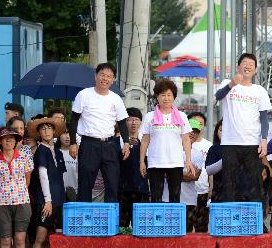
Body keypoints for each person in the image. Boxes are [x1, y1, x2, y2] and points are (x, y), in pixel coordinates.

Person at [67, 63, 130, 203]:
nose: (105, 79)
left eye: (109, 76)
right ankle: (84, 221)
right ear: (96, 76)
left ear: (113, 80)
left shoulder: (116, 98)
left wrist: (126, 142)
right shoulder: (83, 95)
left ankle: (111, 221)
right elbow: (74, 120)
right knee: (85, 184)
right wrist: (72, 143)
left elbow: (122, 123)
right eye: (102, 75)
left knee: (113, 184)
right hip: (89, 144)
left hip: (110, 145)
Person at [214, 53, 272, 202]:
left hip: (252, 143)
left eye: (251, 64)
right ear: (238, 66)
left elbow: (264, 118)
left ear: (255, 70)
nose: (247, 66)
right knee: (229, 184)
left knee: (255, 184)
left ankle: (257, 222)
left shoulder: (259, 90)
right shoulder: (228, 83)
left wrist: (264, 139)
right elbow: (218, 96)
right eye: (244, 63)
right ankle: (229, 221)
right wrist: (231, 85)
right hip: (230, 143)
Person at [139, 79, 195, 203]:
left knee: (175, 197)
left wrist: (188, 160)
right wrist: (142, 161)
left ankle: (173, 222)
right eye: (162, 95)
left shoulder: (182, 116)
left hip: (175, 162)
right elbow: (144, 141)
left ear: (174, 97)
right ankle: (158, 222)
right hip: (155, 162)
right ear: (157, 97)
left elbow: (186, 139)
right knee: (156, 197)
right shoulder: (149, 116)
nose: (166, 98)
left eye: (169, 95)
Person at [0, 127, 33, 248]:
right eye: (5, 138)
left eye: (12, 138)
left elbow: (27, 180)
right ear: (0, 141)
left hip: (22, 202)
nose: (9, 140)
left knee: (20, 239)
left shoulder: (24, 158)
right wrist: (4, 193)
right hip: (2, 204)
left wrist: (18, 192)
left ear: (16, 141)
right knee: (6, 239)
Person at [29, 117, 66, 248]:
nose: (46, 131)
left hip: (59, 199)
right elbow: (43, 176)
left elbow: (60, 177)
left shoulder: (58, 152)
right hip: (46, 200)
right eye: (43, 128)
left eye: (49, 128)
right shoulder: (41, 151)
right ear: (39, 133)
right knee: (40, 237)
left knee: (57, 236)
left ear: (54, 131)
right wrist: (48, 201)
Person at [118, 108, 147, 228]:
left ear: (141, 122)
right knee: (122, 226)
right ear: (125, 122)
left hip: (142, 188)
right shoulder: (117, 142)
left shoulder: (146, 142)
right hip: (122, 188)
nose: (133, 123)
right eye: (130, 120)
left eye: (136, 119)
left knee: (140, 226)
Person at [187, 118, 212, 232]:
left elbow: (195, 176)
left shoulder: (198, 153)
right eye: (190, 130)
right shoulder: (174, 148)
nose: (193, 133)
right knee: (184, 228)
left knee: (201, 228)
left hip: (201, 191)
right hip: (180, 196)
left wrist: (178, 176)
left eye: (196, 131)